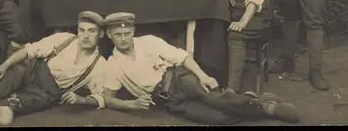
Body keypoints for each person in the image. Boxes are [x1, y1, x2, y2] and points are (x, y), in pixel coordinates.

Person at [102, 12, 300, 125]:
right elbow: (109, 99)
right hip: (168, 101)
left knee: (214, 98)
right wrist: (132, 104)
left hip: (178, 79)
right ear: (110, 35)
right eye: (118, 34)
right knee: (217, 118)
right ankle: (253, 98)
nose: (123, 38)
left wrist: (203, 76)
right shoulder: (113, 64)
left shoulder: (148, 41)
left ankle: (268, 109)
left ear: (133, 31)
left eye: (126, 33)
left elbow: (183, 57)